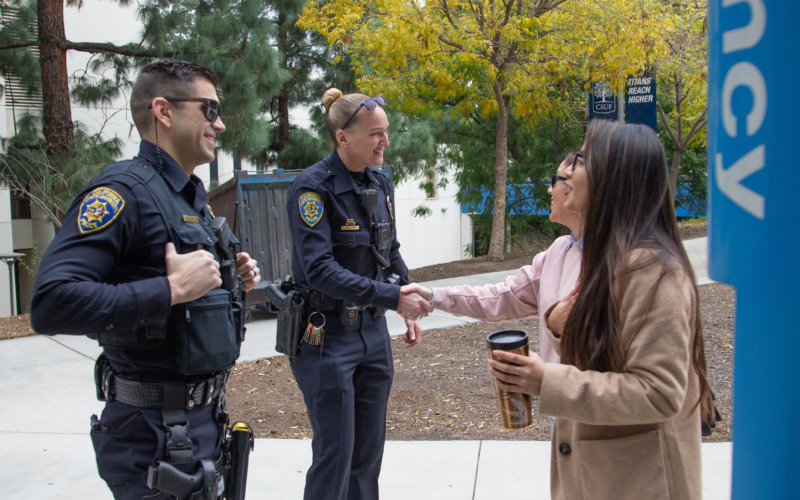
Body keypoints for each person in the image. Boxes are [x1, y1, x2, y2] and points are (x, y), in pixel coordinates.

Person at [30, 59, 261, 499]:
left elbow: (187, 291)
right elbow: (50, 301)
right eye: (210, 110)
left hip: (202, 423)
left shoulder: (189, 197)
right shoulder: (122, 193)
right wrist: (170, 290)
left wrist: (233, 280)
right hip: (153, 433)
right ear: (164, 110)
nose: (222, 124)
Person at [488, 119, 713, 499]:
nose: (568, 171)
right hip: (595, 476)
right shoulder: (609, 259)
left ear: (615, 178)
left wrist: (546, 381)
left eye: (582, 160)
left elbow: (658, 393)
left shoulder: (654, 271)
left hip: (640, 483)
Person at [285, 88, 431, 500]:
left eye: (386, 132)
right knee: (336, 454)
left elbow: (390, 248)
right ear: (342, 137)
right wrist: (391, 298)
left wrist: (406, 299)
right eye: (375, 134)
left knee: (367, 458)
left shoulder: (379, 182)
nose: (385, 141)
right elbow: (319, 271)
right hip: (325, 338)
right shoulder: (312, 189)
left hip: (371, 335)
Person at [401, 150, 583, 373]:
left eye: (557, 180)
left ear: (584, 188)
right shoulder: (558, 253)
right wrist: (434, 296)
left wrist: (546, 379)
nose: (549, 189)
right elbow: (500, 297)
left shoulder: (622, 266)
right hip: (554, 405)